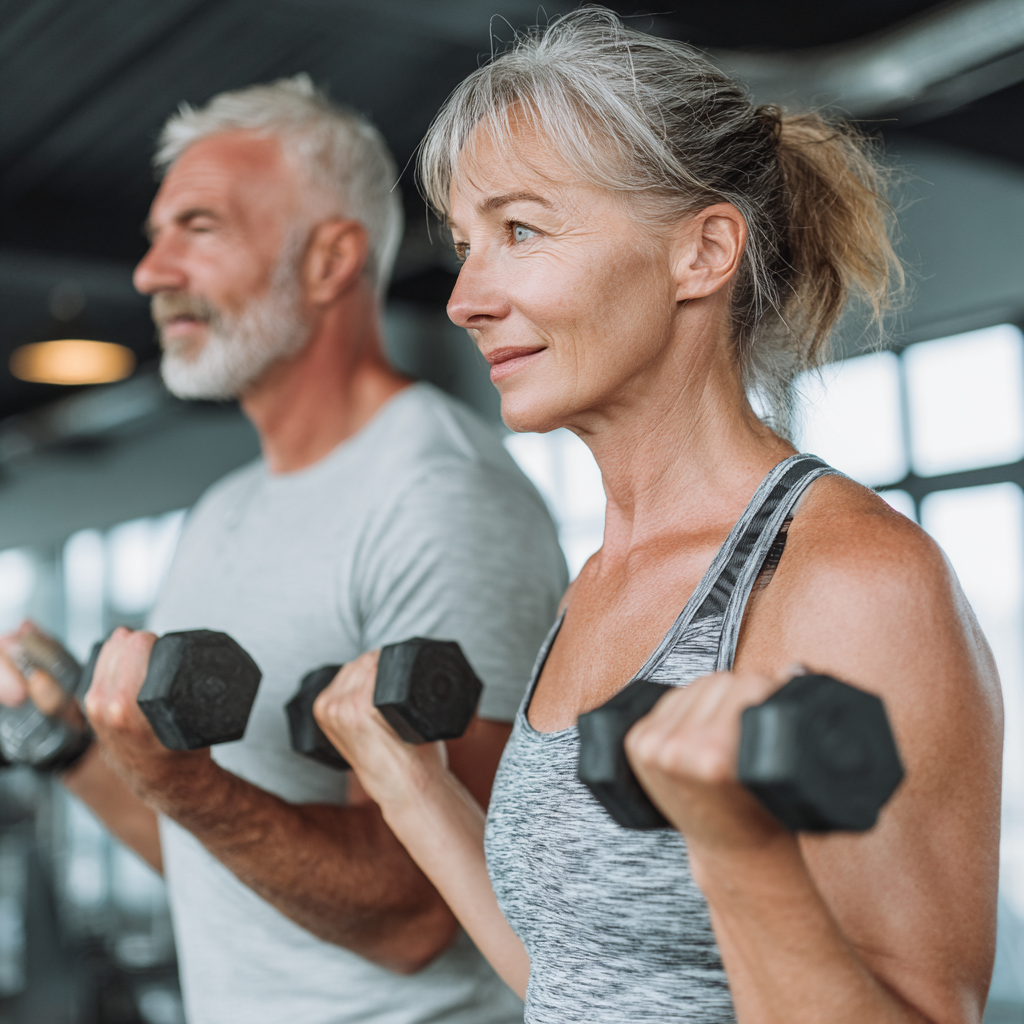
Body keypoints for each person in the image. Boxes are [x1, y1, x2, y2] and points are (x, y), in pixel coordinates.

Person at [311, 10, 1002, 1024]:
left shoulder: (853, 581)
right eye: (464, 246)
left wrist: (736, 849)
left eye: (520, 231)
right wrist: (410, 784)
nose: (463, 298)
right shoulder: (596, 584)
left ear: (702, 253)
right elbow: (583, 978)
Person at [0, 76, 567, 1024]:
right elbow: (213, 851)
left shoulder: (439, 495)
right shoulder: (224, 511)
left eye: (199, 228)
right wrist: (73, 748)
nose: (151, 272)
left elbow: (418, 917)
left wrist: (189, 783)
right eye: (154, 237)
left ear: (329, 258)